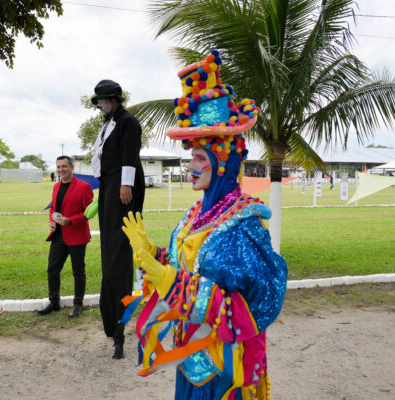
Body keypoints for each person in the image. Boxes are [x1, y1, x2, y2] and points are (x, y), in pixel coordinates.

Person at [120, 51, 287, 399]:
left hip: (222, 363)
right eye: (190, 157)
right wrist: (154, 255)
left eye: (199, 158)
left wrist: (170, 283)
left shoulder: (244, 223)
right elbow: (189, 266)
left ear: (222, 164)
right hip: (190, 355)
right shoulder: (197, 212)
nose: (191, 166)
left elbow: (248, 307)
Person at [91, 79, 145, 359]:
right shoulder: (108, 123)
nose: (100, 105)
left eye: (103, 100)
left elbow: (129, 155)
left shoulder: (127, 122)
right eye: (99, 101)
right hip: (109, 186)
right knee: (110, 255)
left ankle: (120, 325)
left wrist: (126, 185)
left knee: (118, 256)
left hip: (123, 188)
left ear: (114, 100)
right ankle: (113, 322)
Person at [39, 156, 94, 318]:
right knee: (52, 269)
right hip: (58, 236)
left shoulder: (84, 187)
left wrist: (70, 220)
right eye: (58, 167)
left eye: (64, 166)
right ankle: (54, 302)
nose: (61, 170)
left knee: (78, 271)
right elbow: (53, 209)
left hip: (76, 235)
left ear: (71, 167)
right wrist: (52, 221)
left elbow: (88, 213)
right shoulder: (56, 186)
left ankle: (78, 304)